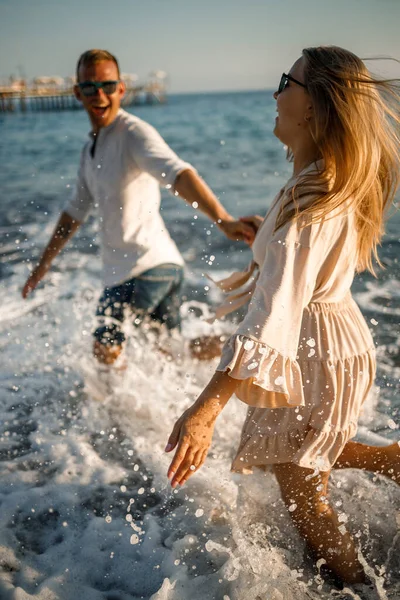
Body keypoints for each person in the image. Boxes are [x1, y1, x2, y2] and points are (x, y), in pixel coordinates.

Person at [165, 46, 400, 586]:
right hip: (327, 340)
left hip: (313, 346)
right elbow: (291, 262)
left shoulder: (311, 204)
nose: (275, 95)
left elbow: (272, 313)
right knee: (295, 464)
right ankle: (391, 464)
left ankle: (360, 590)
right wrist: (260, 237)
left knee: (305, 502)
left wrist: (205, 410)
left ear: (315, 106)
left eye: (285, 83)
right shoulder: (323, 180)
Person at [22, 49, 255, 365]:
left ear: (121, 89)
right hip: (158, 267)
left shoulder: (133, 133)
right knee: (172, 354)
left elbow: (179, 174)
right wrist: (43, 264)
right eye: (89, 87)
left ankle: (113, 415)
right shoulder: (89, 151)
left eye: (107, 85)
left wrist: (223, 219)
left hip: (145, 268)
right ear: (77, 93)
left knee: (105, 349)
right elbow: (74, 212)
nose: (99, 95)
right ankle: (247, 343)